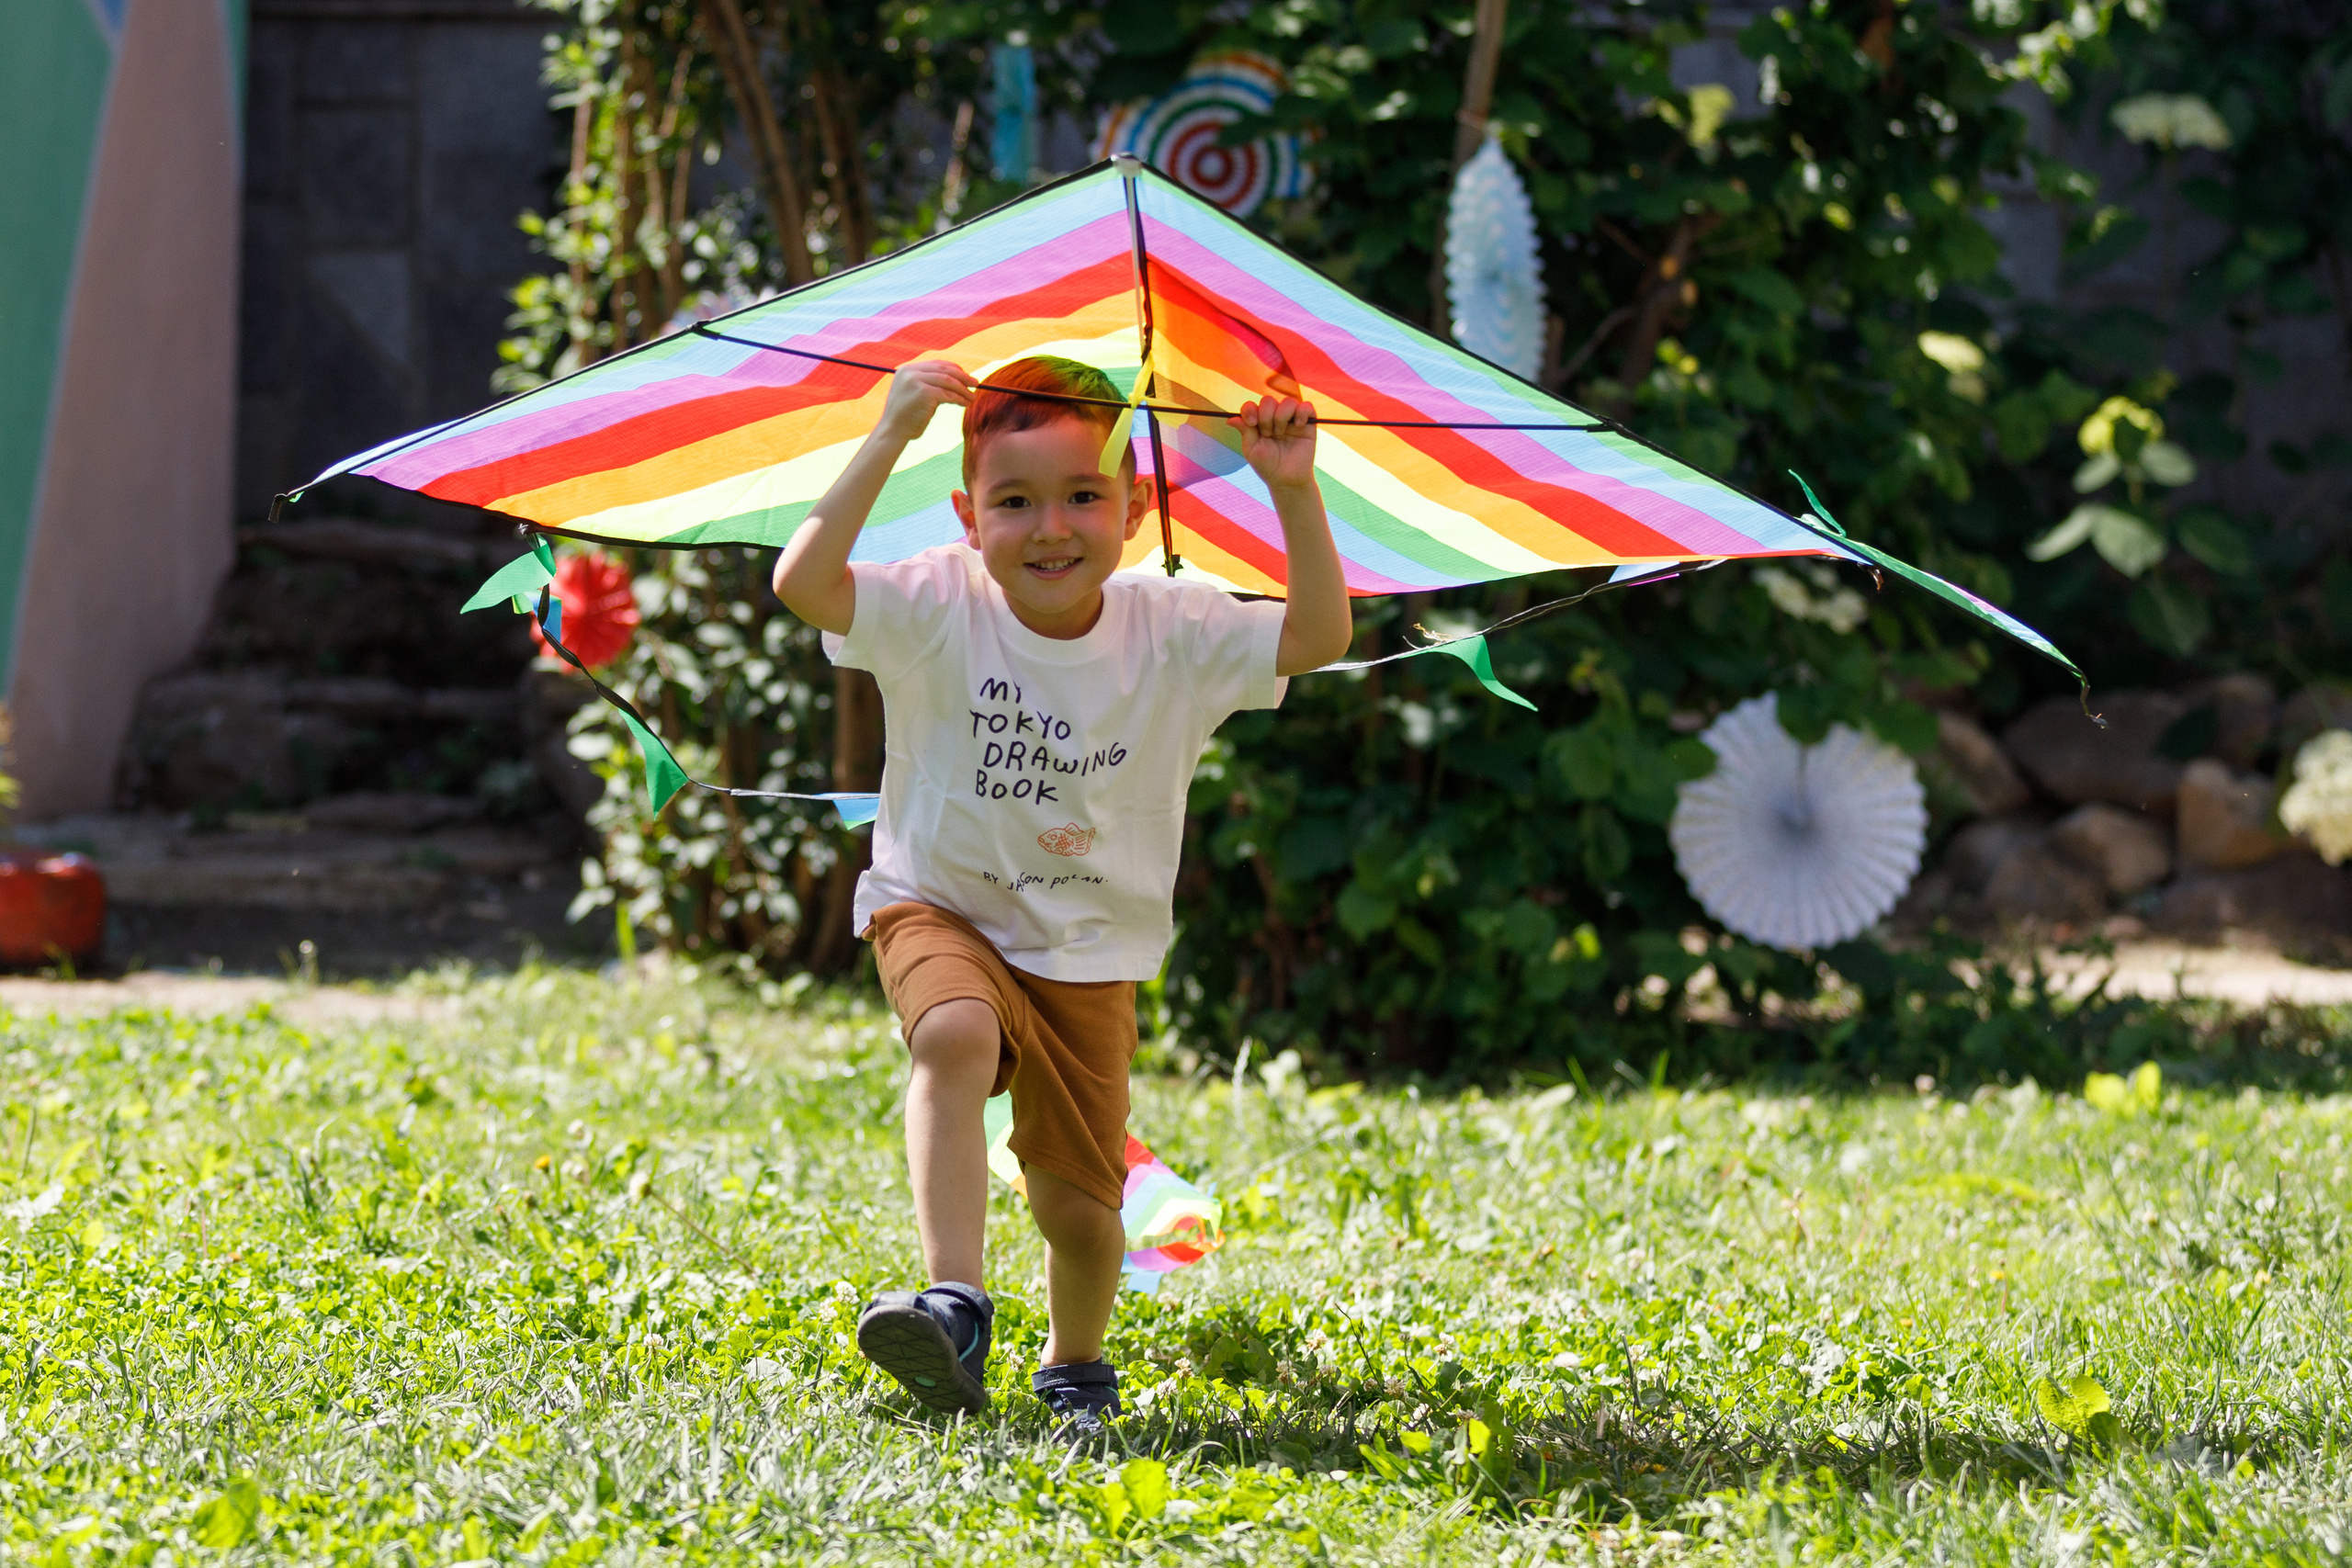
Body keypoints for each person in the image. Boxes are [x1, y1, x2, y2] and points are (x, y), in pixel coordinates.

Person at [771, 354, 1351, 1434]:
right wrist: (890, 431)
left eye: (1083, 495)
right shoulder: (938, 598)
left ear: (1135, 509)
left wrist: (1293, 486)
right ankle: (954, 1302)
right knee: (950, 1037)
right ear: (966, 513)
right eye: (1015, 501)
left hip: (1090, 948)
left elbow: (1316, 639)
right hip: (937, 900)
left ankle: (1074, 1366)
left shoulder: (1172, 625)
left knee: (1079, 1215)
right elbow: (803, 584)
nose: (1050, 527)